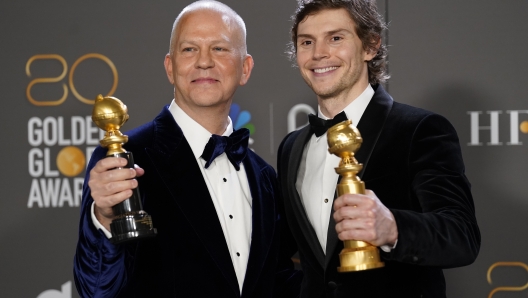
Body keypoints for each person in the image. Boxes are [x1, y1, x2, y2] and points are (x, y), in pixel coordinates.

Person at [73, 1, 301, 297]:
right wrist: (103, 218)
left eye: (219, 48)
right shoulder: (125, 160)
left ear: (245, 69)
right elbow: (96, 289)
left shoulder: (264, 178)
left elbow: (278, 281)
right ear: (170, 67)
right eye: (189, 49)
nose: (204, 61)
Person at [277, 0, 481, 297]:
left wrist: (392, 228)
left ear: (370, 47)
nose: (319, 53)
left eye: (336, 38)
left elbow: (462, 237)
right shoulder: (292, 147)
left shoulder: (419, 130)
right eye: (307, 42)